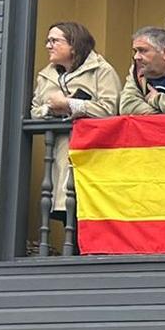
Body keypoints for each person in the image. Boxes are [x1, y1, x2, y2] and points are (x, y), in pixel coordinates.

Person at [30, 20, 120, 216]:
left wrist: (71, 105)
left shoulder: (101, 71)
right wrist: (51, 109)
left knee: (88, 209)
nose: (48, 46)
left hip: (93, 154)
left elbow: (109, 110)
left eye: (54, 41)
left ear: (74, 45)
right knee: (66, 208)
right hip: (60, 153)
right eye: (48, 40)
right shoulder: (45, 76)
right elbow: (34, 111)